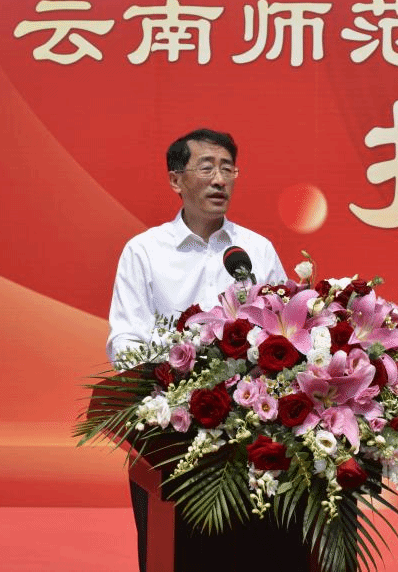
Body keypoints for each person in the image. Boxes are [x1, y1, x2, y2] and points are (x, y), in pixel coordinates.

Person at [106, 128, 308, 572]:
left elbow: (286, 328)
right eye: (207, 168)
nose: (220, 179)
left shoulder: (255, 250)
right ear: (176, 180)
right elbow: (125, 340)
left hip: (252, 430)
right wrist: (168, 383)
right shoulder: (144, 251)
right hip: (171, 432)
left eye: (227, 169)